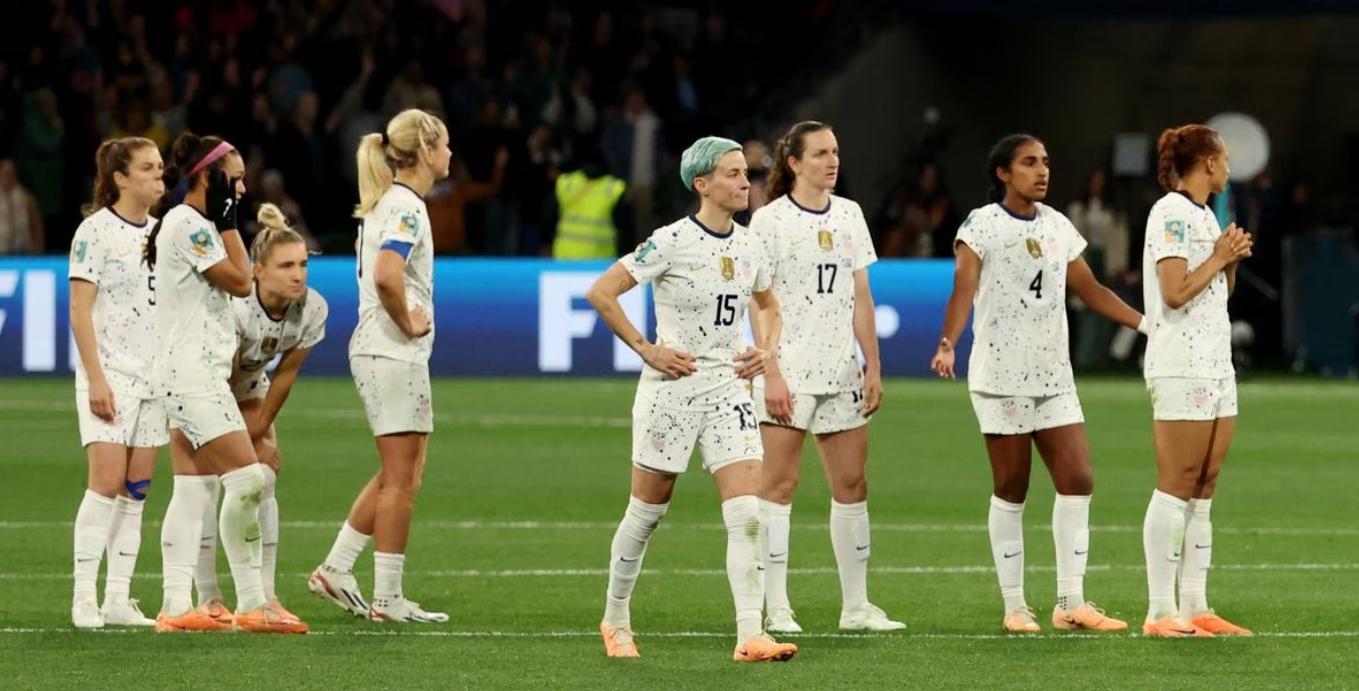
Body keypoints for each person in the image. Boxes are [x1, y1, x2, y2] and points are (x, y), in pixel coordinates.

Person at [586, 136, 797, 663]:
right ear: (702, 184)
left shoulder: (751, 245)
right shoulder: (671, 241)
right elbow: (602, 292)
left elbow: (768, 305)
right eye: (732, 173)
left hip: (730, 389)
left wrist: (766, 351)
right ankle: (614, 619)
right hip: (673, 392)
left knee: (747, 512)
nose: (744, 180)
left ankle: (750, 635)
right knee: (646, 513)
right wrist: (647, 349)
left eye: (745, 173)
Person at [930, 134, 1146, 633]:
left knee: (1078, 480)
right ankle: (1014, 606)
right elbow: (963, 289)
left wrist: (1147, 325)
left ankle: (1071, 601)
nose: (1042, 171)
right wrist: (948, 342)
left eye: (1045, 162)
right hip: (1002, 376)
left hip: (1053, 376)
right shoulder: (981, 224)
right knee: (1012, 486)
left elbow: (1089, 289)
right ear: (1003, 173)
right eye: (1029, 163)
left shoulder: (1057, 225)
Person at [145, 132, 308, 634]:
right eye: (233, 179)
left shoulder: (191, 223)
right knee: (249, 478)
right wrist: (226, 220)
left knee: (194, 490)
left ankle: (177, 605)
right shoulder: (190, 223)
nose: (241, 188)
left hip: (193, 370)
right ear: (206, 177)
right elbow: (242, 280)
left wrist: (223, 218)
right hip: (191, 372)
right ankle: (255, 601)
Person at [746, 121, 902, 633]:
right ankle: (777, 606)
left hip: (841, 370)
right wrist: (769, 372)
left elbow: (861, 295)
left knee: (852, 484)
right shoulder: (768, 221)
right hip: (787, 369)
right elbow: (758, 301)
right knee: (779, 486)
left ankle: (856, 607)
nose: (832, 161)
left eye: (835, 152)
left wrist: (872, 364)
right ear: (793, 163)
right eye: (820, 154)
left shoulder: (851, 215)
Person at [308, 109, 450, 623]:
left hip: (383, 351)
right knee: (401, 478)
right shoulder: (407, 207)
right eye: (447, 145)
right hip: (391, 350)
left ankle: (337, 568)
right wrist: (408, 321)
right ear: (428, 148)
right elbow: (389, 275)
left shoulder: (390, 203)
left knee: (403, 472)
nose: (451, 155)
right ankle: (387, 599)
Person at [1139, 124, 1254, 637]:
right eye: (1225, 157)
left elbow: (1215, 295)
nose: (1229, 167)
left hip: (1215, 363)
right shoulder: (1169, 211)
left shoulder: (1206, 215)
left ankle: (1196, 604)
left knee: (1204, 487)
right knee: (1176, 484)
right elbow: (1174, 292)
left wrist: (1230, 263)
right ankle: (1160, 611)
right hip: (1180, 362)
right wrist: (1219, 258)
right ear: (1207, 162)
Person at [192, 203, 328, 626]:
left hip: (250, 387)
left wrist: (261, 428)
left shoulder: (312, 308)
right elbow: (222, 376)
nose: (298, 274)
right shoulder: (234, 306)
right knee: (209, 488)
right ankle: (209, 597)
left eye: (303, 264)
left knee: (264, 478)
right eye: (286, 265)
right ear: (257, 271)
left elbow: (285, 373)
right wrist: (240, 435)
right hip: (201, 384)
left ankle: (264, 595)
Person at [67, 137, 166, 628]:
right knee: (105, 483)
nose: (159, 175)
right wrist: (96, 379)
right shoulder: (95, 232)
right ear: (121, 179)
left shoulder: (164, 232)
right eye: (147, 168)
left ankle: (118, 599)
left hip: (153, 380)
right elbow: (79, 310)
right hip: (110, 375)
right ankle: (84, 596)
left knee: (136, 489)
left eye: (161, 167)